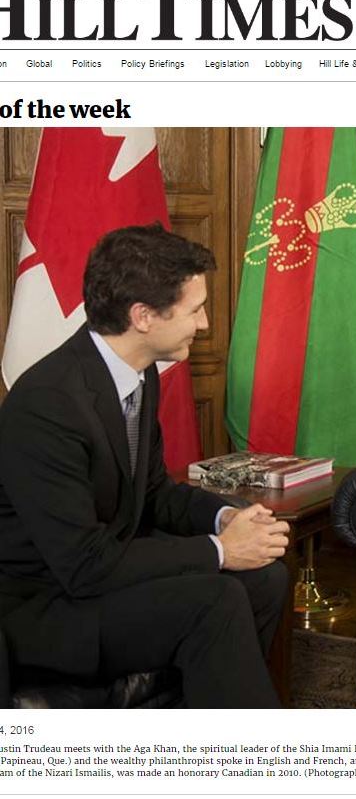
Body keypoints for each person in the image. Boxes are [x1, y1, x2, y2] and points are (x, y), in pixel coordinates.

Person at [0, 223, 290, 708]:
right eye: (195, 309)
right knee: (213, 602)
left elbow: (153, 492)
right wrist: (219, 550)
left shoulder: (138, 372)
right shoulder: (48, 405)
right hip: (46, 606)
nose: (204, 324)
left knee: (263, 577)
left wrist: (227, 518)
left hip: (99, 578)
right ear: (143, 316)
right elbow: (84, 564)